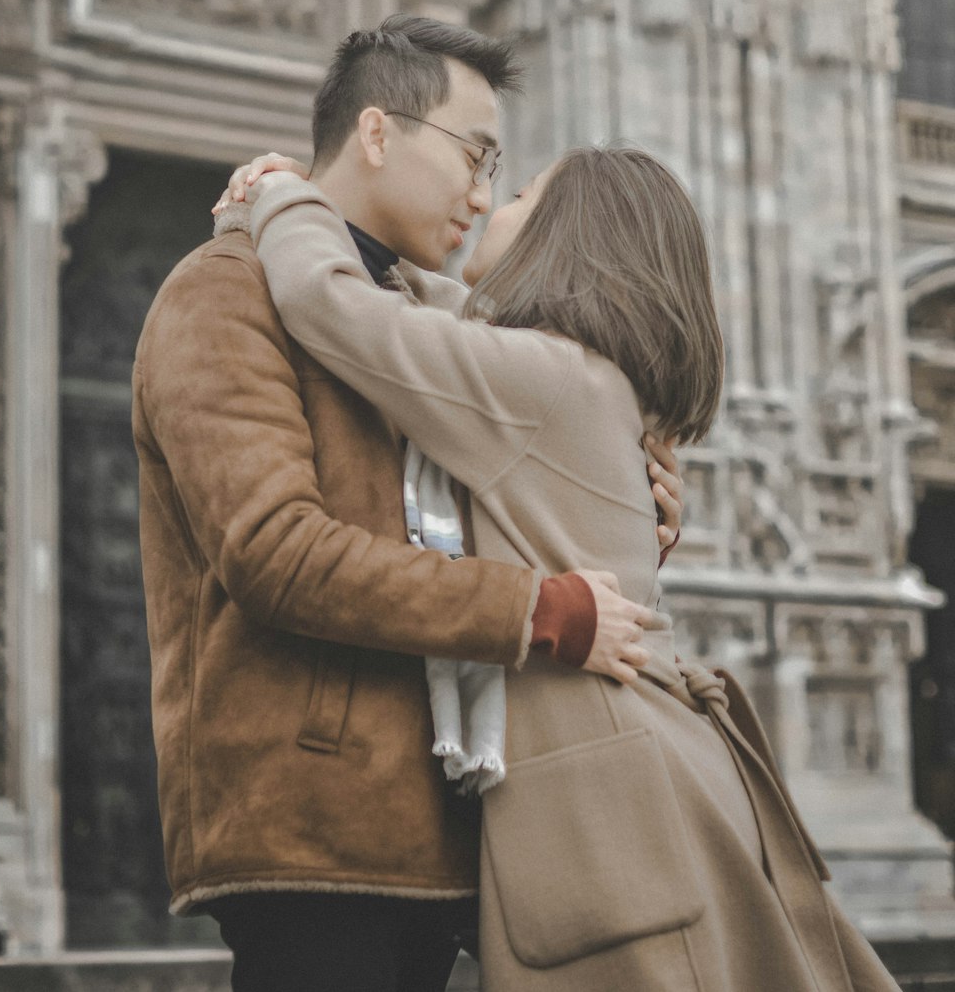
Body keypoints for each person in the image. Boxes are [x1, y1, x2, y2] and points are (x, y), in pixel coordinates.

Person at [219, 141, 902, 992]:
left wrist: (284, 197)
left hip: (609, 797)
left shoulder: (541, 379)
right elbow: (425, 317)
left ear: (563, 234)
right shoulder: (584, 381)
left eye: (521, 194)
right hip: (646, 772)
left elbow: (337, 307)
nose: (489, 205)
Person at [133, 16, 685, 992]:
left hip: (452, 819)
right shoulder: (224, 292)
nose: (482, 194)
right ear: (379, 131)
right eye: (476, 157)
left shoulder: (420, 319)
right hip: (313, 828)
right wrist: (538, 609)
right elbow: (276, 552)